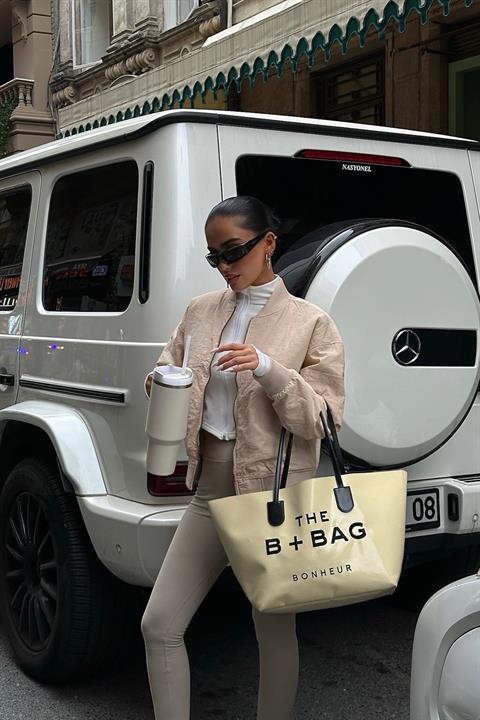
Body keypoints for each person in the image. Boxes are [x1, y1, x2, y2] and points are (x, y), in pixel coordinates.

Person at [141, 196, 345, 720]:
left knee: (272, 627)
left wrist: (269, 369)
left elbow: (321, 420)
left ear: (269, 243)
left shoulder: (311, 322)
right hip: (209, 490)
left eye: (234, 251)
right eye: (215, 257)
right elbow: (167, 367)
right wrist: (161, 382)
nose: (225, 267)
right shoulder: (200, 311)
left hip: (273, 496)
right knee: (159, 625)